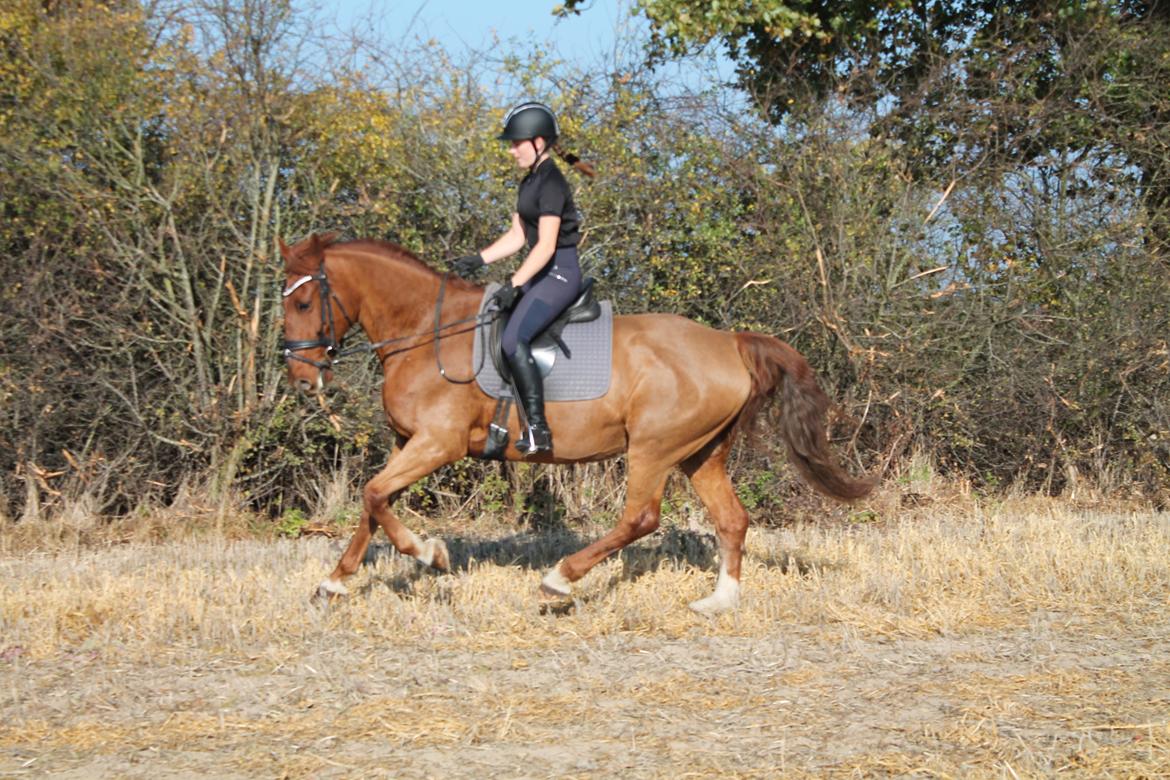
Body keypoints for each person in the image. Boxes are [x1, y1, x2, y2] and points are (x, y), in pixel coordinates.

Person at [450, 102, 585, 456]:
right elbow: (517, 236)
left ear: (538, 142)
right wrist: (478, 259)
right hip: (541, 272)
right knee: (491, 320)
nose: (511, 151)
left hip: (560, 272)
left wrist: (514, 284)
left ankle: (538, 428)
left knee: (513, 339)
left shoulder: (552, 183)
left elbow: (547, 245)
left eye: (516, 143)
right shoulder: (530, 181)